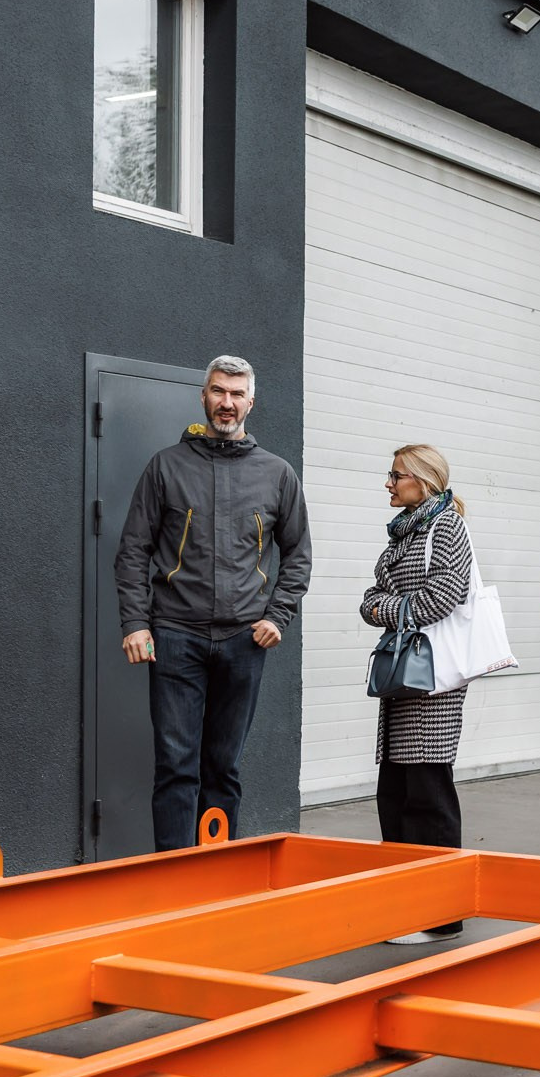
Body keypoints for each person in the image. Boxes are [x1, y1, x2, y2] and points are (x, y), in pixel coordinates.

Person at [113, 356, 312, 850]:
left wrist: (277, 614)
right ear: (203, 396)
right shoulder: (166, 466)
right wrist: (136, 623)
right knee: (176, 765)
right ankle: (174, 875)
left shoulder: (277, 474)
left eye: (237, 394)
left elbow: (299, 554)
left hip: (244, 640)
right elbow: (133, 550)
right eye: (219, 392)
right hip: (175, 635)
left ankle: (217, 876)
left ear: (251, 401)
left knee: (223, 765)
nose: (227, 403)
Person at [361, 444, 476, 940]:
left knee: (427, 795)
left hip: (433, 682)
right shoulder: (404, 533)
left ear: (423, 481)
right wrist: (392, 606)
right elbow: (369, 598)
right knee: (396, 793)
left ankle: (441, 915)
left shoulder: (446, 526)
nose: (388, 483)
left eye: (396, 475)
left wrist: (393, 609)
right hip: (404, 677)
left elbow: (446, 593)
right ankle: (406, 905)